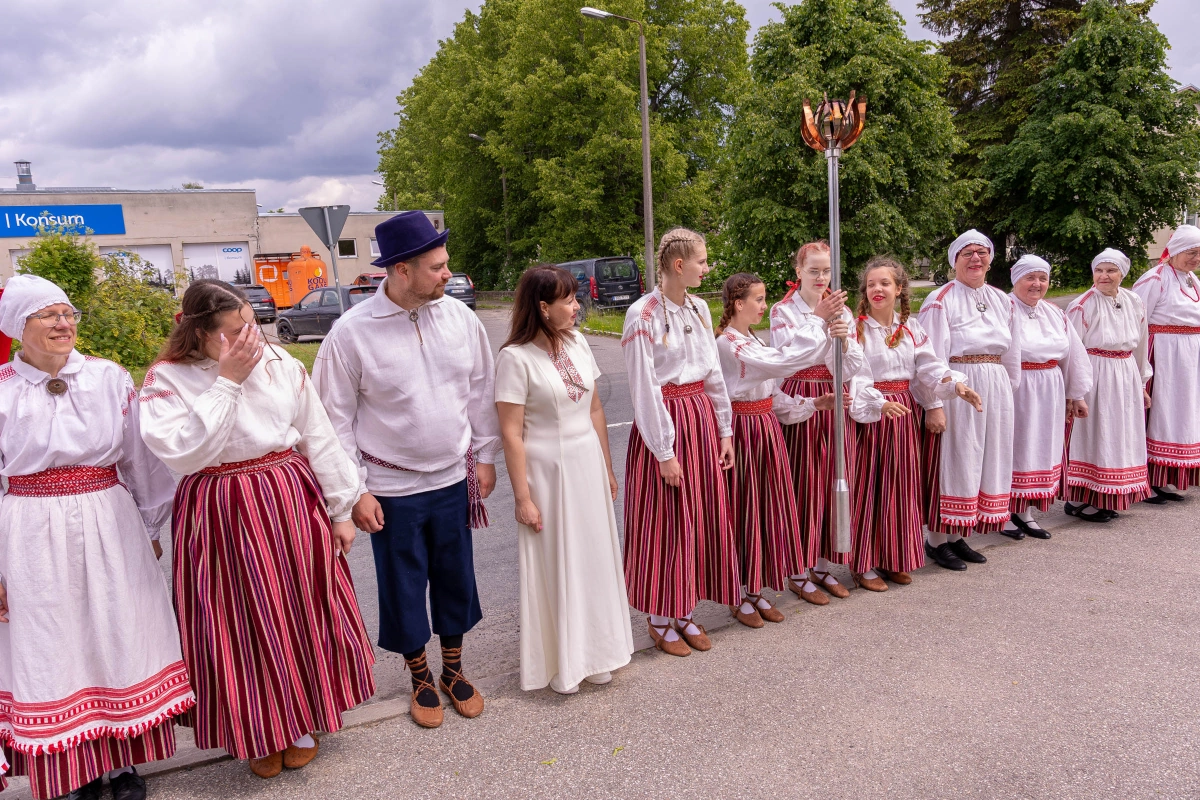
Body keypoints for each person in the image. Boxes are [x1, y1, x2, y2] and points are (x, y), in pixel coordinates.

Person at [140, 280, 374, 778]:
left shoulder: (279, 362)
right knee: (234, 622)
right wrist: (227, 381)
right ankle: (257, 730)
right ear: (197, 332)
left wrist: (340, 508)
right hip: (217, 508)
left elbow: (317, 434)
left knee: (296, 608)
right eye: (234, 331)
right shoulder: (167, 379)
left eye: (251, 325)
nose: (250, 339)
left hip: (286, 498)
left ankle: (302, 723)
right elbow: (185, 452)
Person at [0, 275, 193, 800]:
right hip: (29, 530)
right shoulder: (4, 389)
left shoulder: (108, 377)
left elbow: (139, 458)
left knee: (117, 630)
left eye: (68, 314)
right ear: (18, 326)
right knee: (54, 642)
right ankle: (75, 773)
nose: (63, 324)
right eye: (48, 315)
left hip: (108, 518)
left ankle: (124, 764)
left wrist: (150, 525)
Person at [313, 211, 499, 728]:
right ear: (401, 270)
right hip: (389, 486)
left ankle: (453, 670)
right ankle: (420, 677)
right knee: (403, 584)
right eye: (437, 267)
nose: (448, 274)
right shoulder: (351, 334)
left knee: (456, 576)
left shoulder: (459, 318)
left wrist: (485, 456)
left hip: (453, 477)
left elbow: (481, 390)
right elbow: (333, 420)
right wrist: (354, 492)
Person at [495, 266, 633, 694]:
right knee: (558, 561)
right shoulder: (514, 358)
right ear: (543, 307)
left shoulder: (577, 342)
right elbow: (511, 434)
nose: (577, 307)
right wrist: (523, 498)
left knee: (592, 557)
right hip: (547, 473)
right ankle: (563, 663)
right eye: (569, 300)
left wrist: (607, 467)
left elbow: (594, 408)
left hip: (586, 461)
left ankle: (597, 653)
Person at [621, 227, 739, 657]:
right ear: (678, 264)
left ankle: (685, 610)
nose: (707, 268)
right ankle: (658, 617)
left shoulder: (699, 308)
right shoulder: (643, 315)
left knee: (698, 518)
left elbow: (713, 373)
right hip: (666, 422)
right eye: (701, 261)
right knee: (666, 521)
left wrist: (724, 429)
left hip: (699, 418)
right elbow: (644, 388)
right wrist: (664, 451)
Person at [848, 257, 982, 587]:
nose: (877, 289)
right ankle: (863, 564)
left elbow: (928, 367)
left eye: (885, 283)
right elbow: (856, 376)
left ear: (899, 289)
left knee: (900, 489)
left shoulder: (911, 327)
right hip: (873, 415)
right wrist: (879, 403)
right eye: (871, 284)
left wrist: (955, 384)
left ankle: (892, 557)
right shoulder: (856, 329)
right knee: (870, 489)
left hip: (905, 413)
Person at [715, 272, 830, 627]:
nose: (765, 306)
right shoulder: (728, 344)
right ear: (738, 304)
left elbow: (773, 392)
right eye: (759, 299)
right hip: (744, 431)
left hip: (765, 428)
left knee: (764, 510)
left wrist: (812, 404)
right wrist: (816, 320)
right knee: (743, 510)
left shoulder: (753, 339)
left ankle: (754, 590)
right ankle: (736, 593)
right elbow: (784, 363)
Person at [917, 230, 1022, 570]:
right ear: (955, 260)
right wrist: (934, 403)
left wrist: (1009, 391)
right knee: (957, 457)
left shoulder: (1002, 299)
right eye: (967, 253)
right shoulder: (940, 299)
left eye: (982, 252)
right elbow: (928, 356)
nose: (976, 258)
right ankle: (936, 540)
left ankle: (957, 534)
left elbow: (1013, 352)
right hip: (957, 384)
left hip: (995, 385)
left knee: (984, 456)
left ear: (990, 258)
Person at [770, 241, 864, 602]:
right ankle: (798, 569)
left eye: (826, 270)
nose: (821, 277)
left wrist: (844, 343)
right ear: (799, 272)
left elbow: (851, 367)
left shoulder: (842, 311)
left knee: (832, 481)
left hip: (835, 397)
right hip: (803, 397)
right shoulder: (783, 311)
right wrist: (820, 322)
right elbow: (791, 357)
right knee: (804, 484)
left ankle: (823, 565)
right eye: (813, 270)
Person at [1005, 255, 1093, 538]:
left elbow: (1073, 354)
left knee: (1039, 447)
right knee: (1014, 447)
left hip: (1049, 388)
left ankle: (1025, 512)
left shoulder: (1054, 312)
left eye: (1042, 278)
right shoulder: (1004, 308)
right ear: (1016, 279)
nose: (1037, 284)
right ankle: (1003, 514)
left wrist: (1076, 394)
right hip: (1017, 387)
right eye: (1030, 277)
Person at [1063, 249, 1152, 519]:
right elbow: (1071, 349)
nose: (1104, 276)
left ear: (1122, 274)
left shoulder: (1134, 301)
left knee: (1120, 434)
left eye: (1111, 271)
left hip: (1125, 371)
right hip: (1096, 373)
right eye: (1099, 270)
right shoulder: (1082, 304)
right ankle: (1080, 499)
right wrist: (1074, 390)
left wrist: (1142, 383)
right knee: (1095, 432)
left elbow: (1141, 343)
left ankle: (1108, 495)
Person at [1133, 224, 1200, 501]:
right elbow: (1136, 321)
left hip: (1187, 360)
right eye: (1192, 252)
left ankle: (1164, 476)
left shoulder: (1192, 280)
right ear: (1176, 251)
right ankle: (1146, 479)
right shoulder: (1155, 278)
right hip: (1162, 355)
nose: (1196, 258)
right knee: (1157, 414)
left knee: (1180, 415)